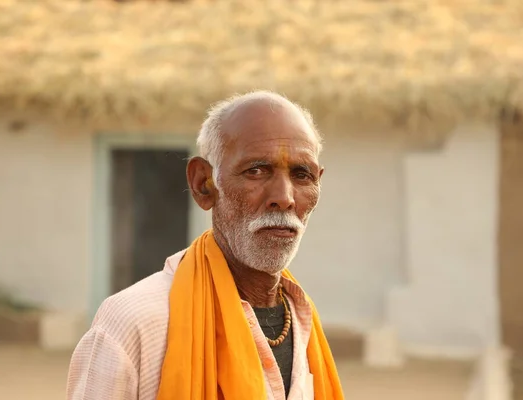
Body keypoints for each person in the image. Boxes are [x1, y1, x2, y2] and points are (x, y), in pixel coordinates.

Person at [67, 90, 344, 400]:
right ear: (204, 184)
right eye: (256, 171)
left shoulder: (303, 318)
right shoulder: (134, 323)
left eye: (301, 175)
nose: (285, 197)